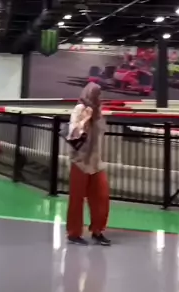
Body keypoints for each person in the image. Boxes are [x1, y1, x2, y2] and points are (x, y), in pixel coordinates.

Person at [66, 82, 110, 246]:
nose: (98, 97)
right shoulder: (80, 109)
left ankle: (97, 231)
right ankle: (74, 233)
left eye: (99, 94)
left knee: (101, 197)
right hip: (80, 161)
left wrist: (96, 115)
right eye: (96, 94)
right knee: (77, 198)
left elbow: (101, 131)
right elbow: (74, 133)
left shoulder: (98, 111)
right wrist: (86, 117)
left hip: (96, 161)